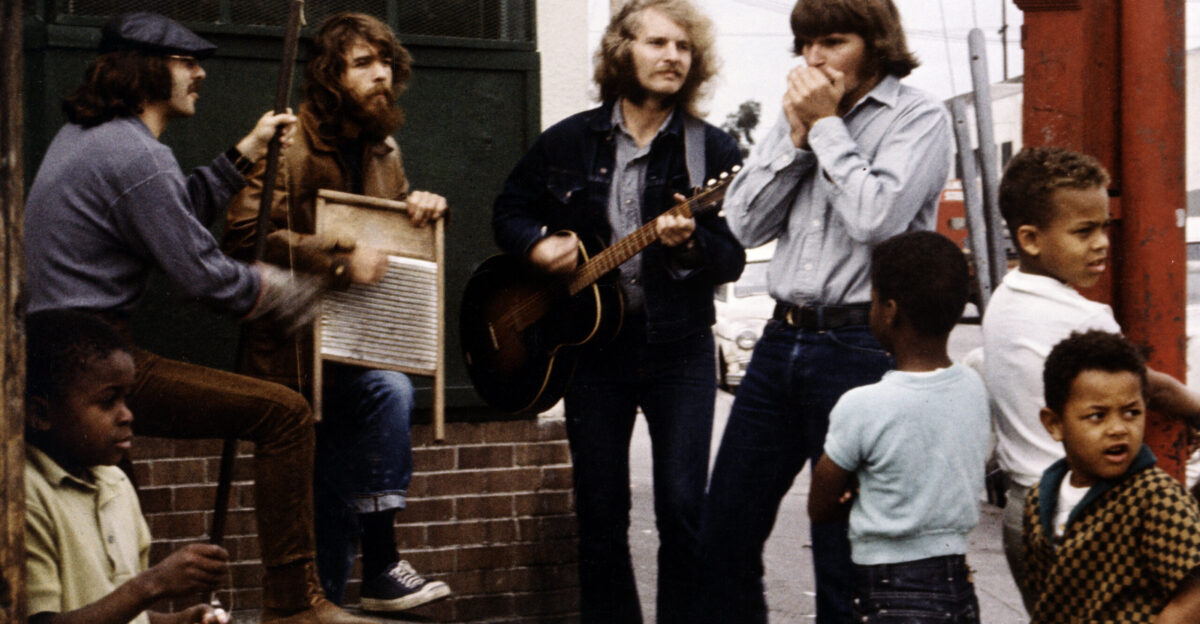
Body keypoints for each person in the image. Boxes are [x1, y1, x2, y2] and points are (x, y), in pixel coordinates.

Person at [23, 12, 375, 624]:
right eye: (187, 62)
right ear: (146, 70)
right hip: (90, 364)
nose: (200, 73)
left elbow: (169, 212)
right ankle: (295, 605)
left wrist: (245, 152)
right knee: (285, 413)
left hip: (61, 362)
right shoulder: (135, 154)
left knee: (112, 522)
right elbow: (204, 275)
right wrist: (305, 292)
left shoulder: (90, 138)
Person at [695, 0, 953, 621]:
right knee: (723, 535)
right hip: (781, 339)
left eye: (832, 41)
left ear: (875, 42)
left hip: (859, 347)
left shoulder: (918, 117)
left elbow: (877, 217)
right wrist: (798, 138)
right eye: (805, 43)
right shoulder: (796, 117)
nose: (813, 58)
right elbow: (746, 222)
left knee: (843, 559)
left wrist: (829, 128)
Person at [491, 1, 744, 621]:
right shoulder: (570, 141)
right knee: (599, 512)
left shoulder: (711, 149)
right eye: (658, 43)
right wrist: (536, 243)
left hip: (679, 349)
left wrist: (692, 245)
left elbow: (733, 258)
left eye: (684, 47)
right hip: (592, 353)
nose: (673, 57)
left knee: (684, 507)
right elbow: (508, 210)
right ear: (621, 51)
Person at [222, 12, 450, 613]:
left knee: (387, 396)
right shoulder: (289, 144)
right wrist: (340, 258)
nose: (380, 76)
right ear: (329, 76)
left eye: (385, 63)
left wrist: (417, 208)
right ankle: (364, 574)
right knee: (321, 510)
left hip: (359, 342)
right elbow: (242, 236)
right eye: (362, 64)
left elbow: (394, 234)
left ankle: (377, 566)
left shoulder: (384, 149)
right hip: (294, 352)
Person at [981, 146, 1200, 610]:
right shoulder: (1079, 314)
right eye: (1083, 232)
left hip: (1024, 505)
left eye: (1104, 227)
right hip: (1086, 505)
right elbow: (1149, 386)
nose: (1101, 242)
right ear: (1031, 238)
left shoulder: (1004, 299)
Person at [807, 231, 989, 622]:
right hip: (958, 584)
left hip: (888, 590)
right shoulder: (974, 387)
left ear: (889, 310)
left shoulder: (862, 406)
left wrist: (860, 492)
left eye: (872, 301)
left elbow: (820, 506)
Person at [24, 309, 231, 624]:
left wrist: (179, 621)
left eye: (126, 399)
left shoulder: (116, 483)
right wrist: (153, 583)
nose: (126, 415)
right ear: (41, 414)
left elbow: (122, 611)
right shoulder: (24, 495)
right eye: (108, 402)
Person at [1023, 330, 1200, 622]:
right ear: (1054, 424)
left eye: (1131, 413)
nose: (1118, 428)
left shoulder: (1156, 497)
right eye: (1097, 416)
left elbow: (1194, 594)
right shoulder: (1038, 498)